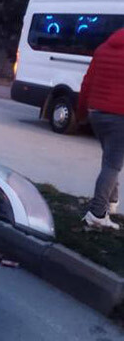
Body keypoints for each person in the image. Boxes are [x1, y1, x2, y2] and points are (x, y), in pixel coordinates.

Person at [76, 27, 124, 231]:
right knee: (112, 165)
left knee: (110, 160)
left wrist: (81, 112)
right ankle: (97, 214)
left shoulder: (103, 48)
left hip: (97, 112)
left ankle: (111, 204)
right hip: (119, 116)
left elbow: (87, 82)